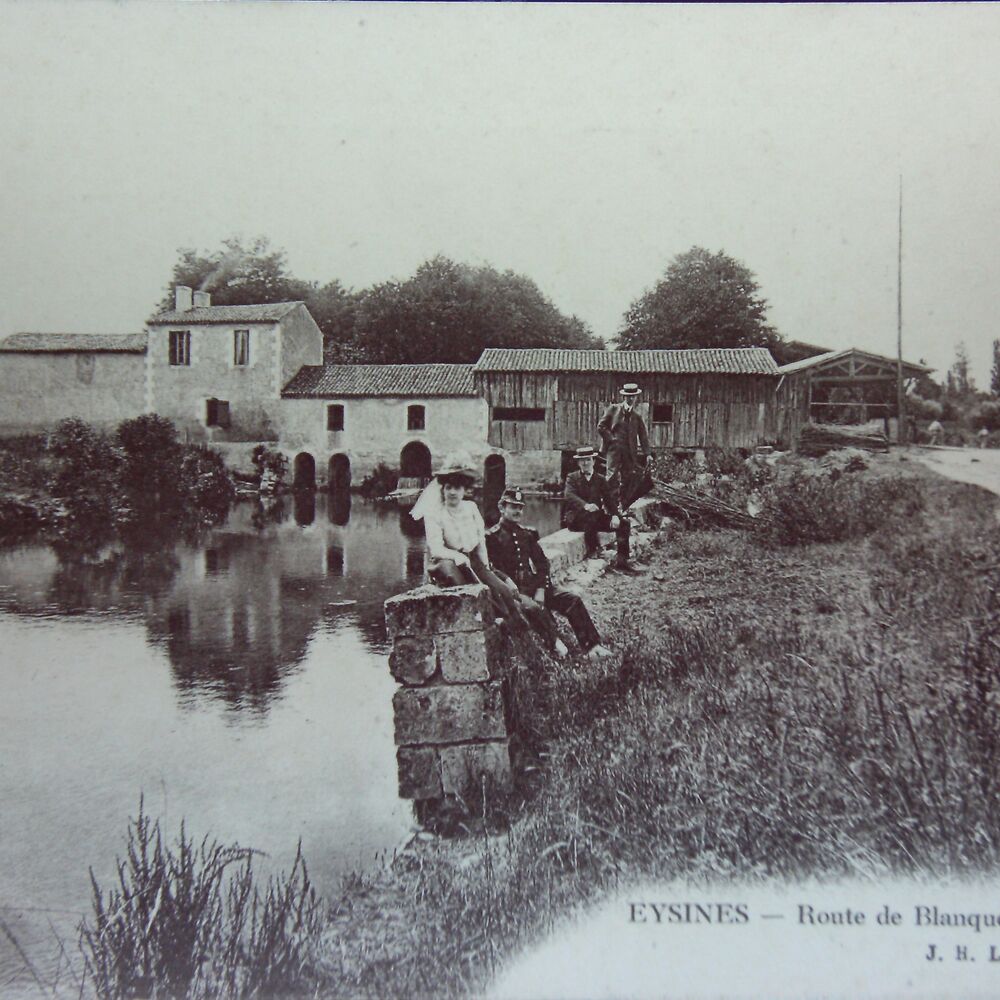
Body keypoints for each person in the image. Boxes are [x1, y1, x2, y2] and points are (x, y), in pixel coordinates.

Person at [487, 487, 613, 659]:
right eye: (513, 506)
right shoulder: (491, 537)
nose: (517, 511)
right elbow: (492, 568)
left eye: (520, 507)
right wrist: (508, 582)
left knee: (572, 600)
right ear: (502, 507)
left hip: (533, 585)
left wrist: (540, 588)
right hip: (514, 592)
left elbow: (542, 564)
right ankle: (555, 648)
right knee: (534, 609)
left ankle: (592, 647)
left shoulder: (526, 534)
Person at [410, 453, 528, 628]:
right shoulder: (434, 514)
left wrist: (485, 564)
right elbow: (436, 548)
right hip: (449, 563)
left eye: (457, 488)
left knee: (502, 591)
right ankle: (495, 621)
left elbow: (480, 539)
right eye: (448, 487)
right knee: (475, 592)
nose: (452, 492)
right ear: (442, 489)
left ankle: (512, 621)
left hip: (473, 560)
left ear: (464, 490)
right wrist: (456, 556)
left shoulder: (471, 508)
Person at [563, 445, 641, 574]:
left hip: (595, 518)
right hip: (577, 519)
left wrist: (616, 516)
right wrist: (585, 505)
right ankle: (593, 550)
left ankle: (622, 561)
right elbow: (569, 495)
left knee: (624, 523)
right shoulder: (572, 477)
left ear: (593, 461)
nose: (585, 463)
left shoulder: (600, 479)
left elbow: (609, 500)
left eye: (588, 460)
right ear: (578, 463)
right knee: (591, 516)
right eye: (582, 460)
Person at [598, 382, 653, 509]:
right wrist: (611, 439)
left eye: (633, 396)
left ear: (636, 398)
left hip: (630, 452)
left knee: (628, 478)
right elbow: (601, 426)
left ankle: (622, 506)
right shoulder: (613, 409)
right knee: (611, 476)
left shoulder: (636, 417)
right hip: (614, 450)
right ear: (624, 397)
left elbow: (643, 436)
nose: (631, 399)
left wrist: (648, 454)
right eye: (628, 396)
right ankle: (608, 505)